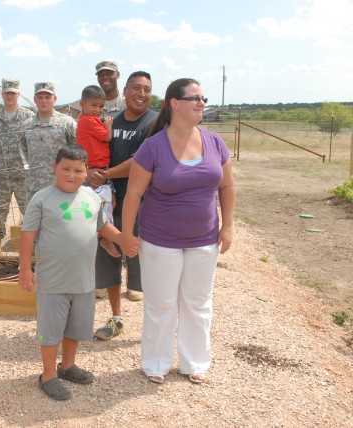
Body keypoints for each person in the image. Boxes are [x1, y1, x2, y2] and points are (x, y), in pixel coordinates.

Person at [120, 78, 236, 385]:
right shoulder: (152, 146)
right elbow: (133, 194)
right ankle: (155, 363)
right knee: (161, 303)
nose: (201, 103)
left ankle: (194, 363)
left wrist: (228, 227)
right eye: (194, 98)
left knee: (198, 303)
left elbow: (227, 186)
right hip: (160, 240)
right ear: (174, 103)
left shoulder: (214, 142)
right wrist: (126, 234)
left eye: (203, 97)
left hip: (203, 239)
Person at [19, 145, 138, 401]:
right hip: (53, 281)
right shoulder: (42, 198)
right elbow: (28, 236)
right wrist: (25, 270)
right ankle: (48, 374)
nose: (71, 175)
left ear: (87, 172)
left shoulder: (92, 197)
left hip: (84, 280)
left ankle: (68, 366)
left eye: (78, 170)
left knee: (75, 329)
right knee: (51, 331)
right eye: (65, 169)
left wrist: (124, 240)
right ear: (55, 168)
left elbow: (103, 226)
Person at [86, 71, 158, 339]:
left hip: (143, 206)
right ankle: (116, 319)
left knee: (146, 264)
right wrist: (91, 171)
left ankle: (154, 327)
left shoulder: (154, 123)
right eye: (136, 88)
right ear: (124, 91)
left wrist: (103, 174)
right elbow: (96, 152)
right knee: (109, 260)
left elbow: (139, 163)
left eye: (147, 89)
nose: (141, 94)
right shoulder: (110, 122)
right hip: (110, 204)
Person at [0, 77, 35, 256]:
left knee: (28, 210)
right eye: (7, 93)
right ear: (2, 94)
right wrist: (3, 159)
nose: (9, 96)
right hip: (2, 173)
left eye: (13, 93)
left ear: (18, 94)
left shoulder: (28, 117)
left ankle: (32, 247)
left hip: (23, 174)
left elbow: (32, 144)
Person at [76, 85, 119, 258]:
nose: (98, 110)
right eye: (94, 105)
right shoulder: (89, 120)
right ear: (83, 105)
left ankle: (101, 234)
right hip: (97, 170)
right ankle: (105, 236)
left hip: (98, 167)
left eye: (101, 106)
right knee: (105, 203)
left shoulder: (85, 120)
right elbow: (107, 137)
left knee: (109, 202)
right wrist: (108, 124)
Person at [21, 82, 77, 199]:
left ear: (55, 99)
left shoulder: (67, 123)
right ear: (34, 99)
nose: (44, 101)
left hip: (60, 185)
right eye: (40, 97)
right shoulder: (27, 125)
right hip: (34, 186)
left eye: (47, 97)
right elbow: (24, 151)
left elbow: (76, 151)